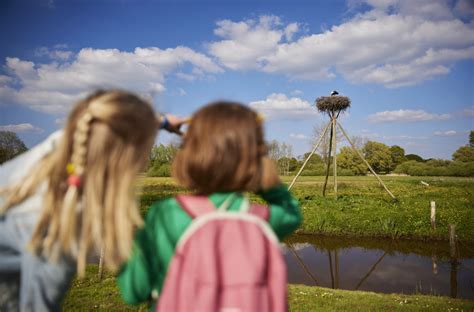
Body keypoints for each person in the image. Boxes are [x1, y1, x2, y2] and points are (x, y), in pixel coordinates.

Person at [0, 90, 185, 311]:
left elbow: (103, 126)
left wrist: (162, 122)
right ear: (125, 159)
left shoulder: (58, 150)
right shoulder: (59, 222)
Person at [118, 101, 301, 310]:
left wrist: (159, 122)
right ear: (257, 159)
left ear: (189, 153)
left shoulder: (166, 215)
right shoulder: (264, 220)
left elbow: (133, 291)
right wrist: (259, 173)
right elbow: (291, 211)